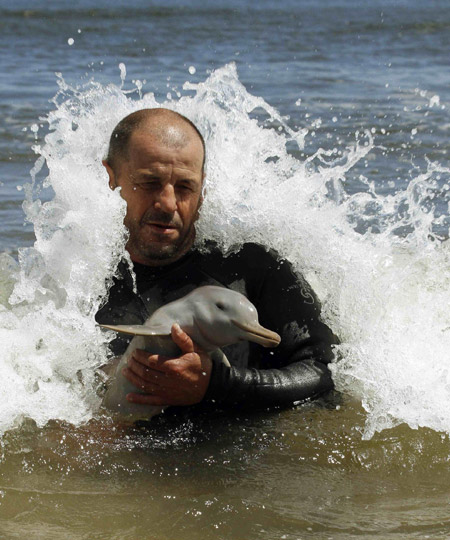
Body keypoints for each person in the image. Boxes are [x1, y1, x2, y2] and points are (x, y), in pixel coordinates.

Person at [96, 108, 337, 413]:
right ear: (111, 177)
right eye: (149, 182)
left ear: (203, 188)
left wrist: (219, 385)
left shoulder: (252, 269)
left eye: (185, 186)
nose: (168, 203)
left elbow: (328, 374)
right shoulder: (81, 283)